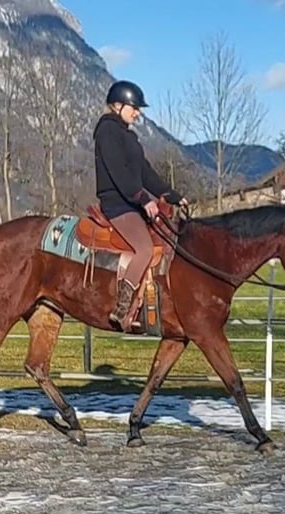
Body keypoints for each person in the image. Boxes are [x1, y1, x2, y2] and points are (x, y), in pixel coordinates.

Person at [93, 80, 188, 331]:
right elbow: (118, 173)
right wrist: (142, 198)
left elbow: (144, 173)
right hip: (117, 204)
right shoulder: (107, 132)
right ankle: (121, 309)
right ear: (117, 105)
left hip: (130, 201)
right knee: (144, 249)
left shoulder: (128, 136)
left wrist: (171, 194)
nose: (138, 112)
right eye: (134, 107)